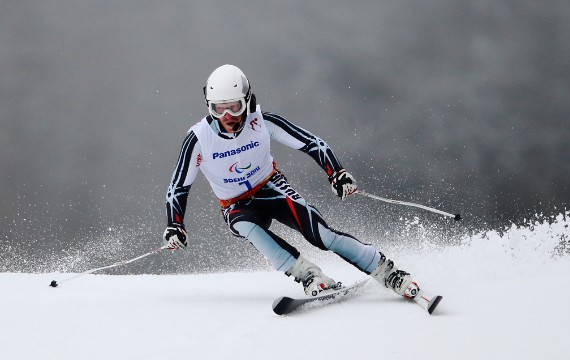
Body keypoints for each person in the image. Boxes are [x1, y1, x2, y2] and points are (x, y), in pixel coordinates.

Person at [163, 64, 420, 299]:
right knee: (248, 228)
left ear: (248, 100)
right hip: (236, 205)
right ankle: (309, 275)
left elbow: (312, 143)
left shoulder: (261, 122)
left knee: (322, 236)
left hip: (271, 188)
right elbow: (178, 187)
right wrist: (175, 225)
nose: (228, 115)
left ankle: (388, 273)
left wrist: (336, 173)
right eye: (219, 108)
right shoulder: (199, 139)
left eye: (235, 106)